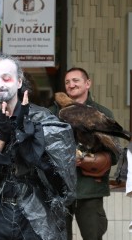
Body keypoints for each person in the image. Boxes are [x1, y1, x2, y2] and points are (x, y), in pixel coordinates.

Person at [0, 53, 76, 240]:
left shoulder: (44, 121)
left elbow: (65, 187)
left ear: (19, 82)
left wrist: (32, 145)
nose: (0, 84)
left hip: (37, 218)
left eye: (7, 77)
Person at [49, 67, 119, 240]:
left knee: (93, 237)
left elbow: (115, 153)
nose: (71, 85)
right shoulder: (52, 113)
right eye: (67, 82)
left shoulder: (102, 114)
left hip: (90, 189)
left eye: (75, 81)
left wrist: (93, 159)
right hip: (59, 189)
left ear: (88, 83)